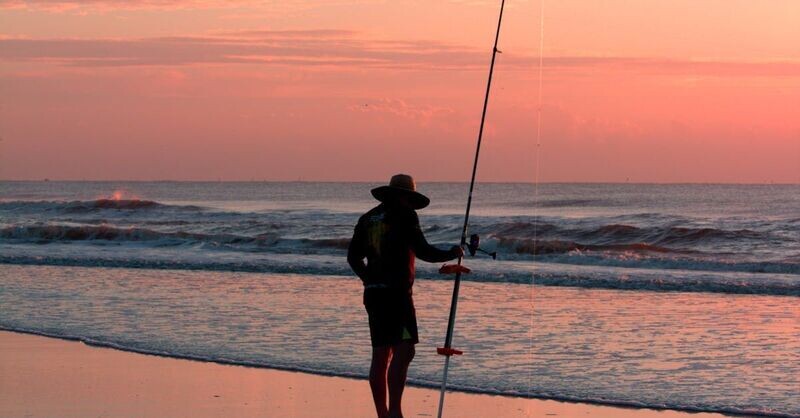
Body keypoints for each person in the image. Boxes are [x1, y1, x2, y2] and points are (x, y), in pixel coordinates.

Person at [348, 174, 463, 418]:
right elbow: (423, 250)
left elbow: (353, 257)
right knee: (405, 349)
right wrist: (451, 253)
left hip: (374, 294)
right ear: (406, 196)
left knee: (381, 352)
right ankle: (395, 412)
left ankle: (383, 413)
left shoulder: (368, 218)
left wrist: (369, 279)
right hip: (397, 295)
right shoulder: (406, 215)